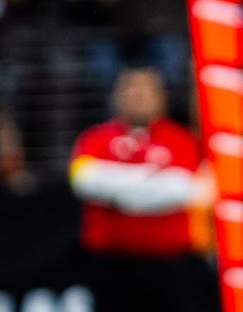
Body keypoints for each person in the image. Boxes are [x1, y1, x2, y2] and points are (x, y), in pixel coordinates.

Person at [68, 66, 216, 312]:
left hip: (171, 267)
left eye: (146, 88)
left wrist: (117, 190)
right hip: (113, 266)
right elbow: (84, 180)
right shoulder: (95, 139)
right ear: (116, 96)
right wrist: (156, 184)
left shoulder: (183, 140)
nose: (138, 95)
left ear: (161, 97)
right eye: (130, 88)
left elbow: (195, 190)